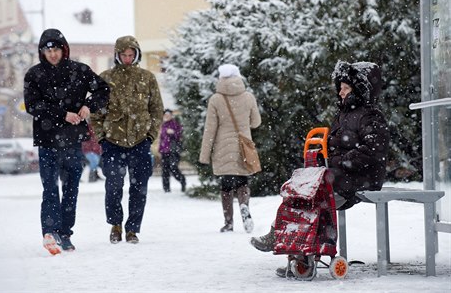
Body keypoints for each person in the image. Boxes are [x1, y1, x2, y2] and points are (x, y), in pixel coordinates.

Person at [250, 60, 390, 255]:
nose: (341, 92)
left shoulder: (370, 115)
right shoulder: (344, 114)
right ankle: (284, 235)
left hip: (363, 177)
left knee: (316, 197)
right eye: (340, 87)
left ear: (358, 89)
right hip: (342, 174)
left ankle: (299, 247)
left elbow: (373, 150)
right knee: (304, 191)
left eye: (346, 87)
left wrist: (339, 161)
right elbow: (336, 147)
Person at [24, 28, 110, 255]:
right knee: (50, 187)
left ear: (64, 49)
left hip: (73, 141)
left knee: (71, 188)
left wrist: (88, 106)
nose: (52, 54)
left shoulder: (79, 71)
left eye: (56, 49)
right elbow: (33, 105)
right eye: (47, 49)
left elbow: (103, 90)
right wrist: (62, 114)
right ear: (42, 51)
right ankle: (50, 233)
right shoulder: (34, 75)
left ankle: (65, 233)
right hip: (47, 140)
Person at [90, 35, 164, 245]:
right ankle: (115, 225)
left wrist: (150, 135)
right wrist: (102, 138)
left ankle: (132, 229)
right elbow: (95, 113)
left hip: (140, 141)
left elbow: (156, 109)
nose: (128, 58)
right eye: (124, 54)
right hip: (112, 142)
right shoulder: (105, 78)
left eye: (131, 54)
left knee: (139, 188)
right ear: (117, 55)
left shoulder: (147, 78)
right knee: (113, 186)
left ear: (137, 54)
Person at [199, 64, 261, 233]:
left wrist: (204, 155)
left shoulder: (216, 99)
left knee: (226, 185)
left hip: (222, 147)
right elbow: (256, 122)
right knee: (242, 182)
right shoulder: (248, 97)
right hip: (243, 147)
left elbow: (210, 129)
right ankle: (244, 208)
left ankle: (228, 222)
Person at [158, 109, 186, 192]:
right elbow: (162, 139)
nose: (166, 117)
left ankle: (182, 181)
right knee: (165, 170)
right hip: (164, 151)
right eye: (165, 115)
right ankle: (166, 189)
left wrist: (173, 132)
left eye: (168, 115)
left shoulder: (174, 124)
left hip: (173, 151)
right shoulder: (163, 125)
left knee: (173, 168)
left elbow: (180, 133)